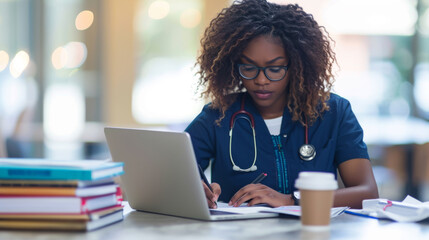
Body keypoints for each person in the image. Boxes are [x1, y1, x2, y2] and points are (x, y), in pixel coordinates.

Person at [185, 0, 379, 209]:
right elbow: (172, 173)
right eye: (249, 68)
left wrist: (292, 200)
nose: (261, 80)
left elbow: (367, 193)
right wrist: (198, 191)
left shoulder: (334, 112)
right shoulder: (218, 115)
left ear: (295, 65)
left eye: (275, 69)